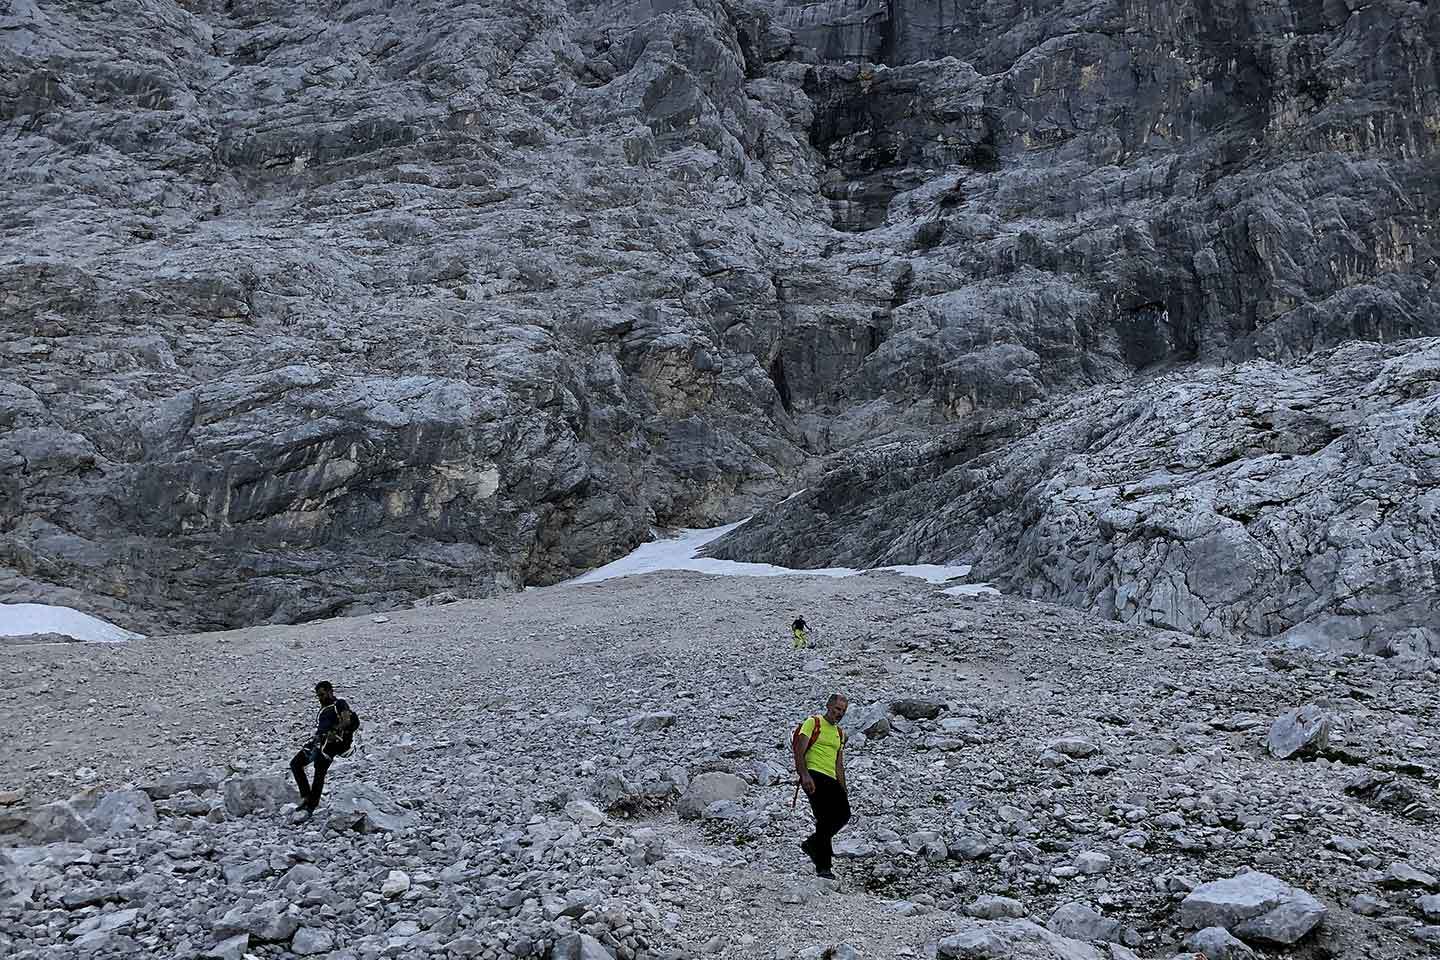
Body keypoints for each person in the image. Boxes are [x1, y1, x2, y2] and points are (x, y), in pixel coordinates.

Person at [792, 693, 850, 878]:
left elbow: (838, 764)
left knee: (843, 814)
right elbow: (799, 751)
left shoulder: (839, 733)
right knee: (825, 819)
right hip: (814, 775)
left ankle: (812, 844)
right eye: (837, 709)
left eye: (843, 711)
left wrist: (844, 788)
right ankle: (824, 867)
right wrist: (804, 775)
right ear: (828, 706)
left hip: (831, 778)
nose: (839, 713)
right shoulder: (813, 723)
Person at [289, 680, 352, 816]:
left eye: (322, 694)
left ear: (330, 691)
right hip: (317, 743)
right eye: (318, 696)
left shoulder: (339, 703)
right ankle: (307, 797)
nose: (320, 698)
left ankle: (311, 806)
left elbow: (346, 721)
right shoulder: (324, 708)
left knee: (319, 772)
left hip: (330, 744)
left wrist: (334, 731)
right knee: (295, 763)